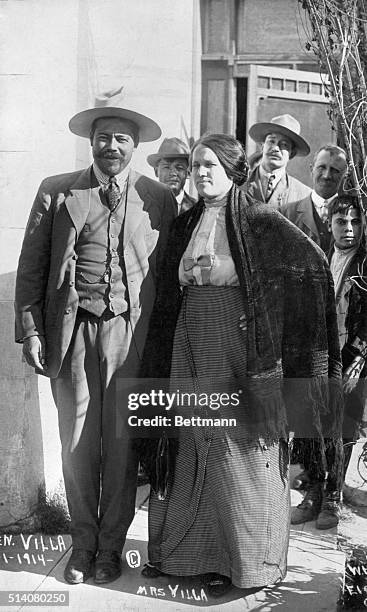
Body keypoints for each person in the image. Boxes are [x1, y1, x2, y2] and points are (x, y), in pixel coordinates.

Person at [138, 134, 343, 595]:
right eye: (195, 166)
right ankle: (184, 556)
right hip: (190, 340)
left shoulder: (260, 219)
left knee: (239, 451)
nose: (201, 172)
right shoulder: (186, 220)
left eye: (210, 165)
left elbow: (311, 265)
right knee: (191, 444)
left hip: (238, 346)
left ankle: (247, 564)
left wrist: (277, 331)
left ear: (232, 171)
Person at [14, 87, 176, 585]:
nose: (112, 146)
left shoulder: (159, 198)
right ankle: (82, 547)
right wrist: (32, 333)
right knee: (78, 442)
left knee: (123, 445)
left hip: (131, 336)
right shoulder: (57, 190)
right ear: (91, 142)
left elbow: (167, 278)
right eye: (104, 137)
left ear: (135, 147)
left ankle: (111, 549)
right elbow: (32, 269)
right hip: (73, 331)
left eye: (122, 139)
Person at [292, 195, 367, 529]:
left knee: (343, 426)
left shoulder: (364, 264)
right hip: (320, 353)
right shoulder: (319, 255)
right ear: (329, 223)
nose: (348, 229)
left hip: (353, 356)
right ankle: (313, 491)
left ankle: (334, 496)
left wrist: (360, 358)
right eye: (341, 222)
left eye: (355, 222)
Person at [282, 144, 348, 253]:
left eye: (335, 170)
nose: (327, 176)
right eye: (321, 167)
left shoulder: (354, 215)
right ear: (311, 169)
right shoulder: (286, 214)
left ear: (344, 176)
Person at [245, 114, 311, 209]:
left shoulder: (304, 195)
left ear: (291, 153)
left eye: (284, 144)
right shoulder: (238, 184)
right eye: (271, 141)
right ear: (262, 146)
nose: (275, 148)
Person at [147, 137, 196, 215]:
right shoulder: (143, 205)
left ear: (188, 173)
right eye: (166, 167)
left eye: (179, 168)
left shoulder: (197, 209)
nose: (173, 173)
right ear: (156, 171)